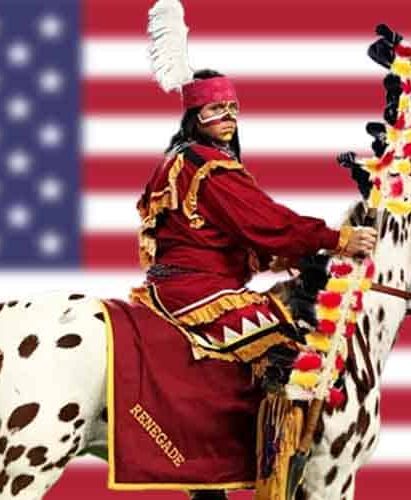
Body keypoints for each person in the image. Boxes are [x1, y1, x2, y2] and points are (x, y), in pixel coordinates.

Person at [130, 69, 377, 500]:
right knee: (289, 351)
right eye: (215, 109)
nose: (227, 116)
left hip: (174, 285)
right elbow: (267, 223)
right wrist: (336, 240)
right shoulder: (208, 168)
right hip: (199, 294)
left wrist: (284, 255)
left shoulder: (182, 160)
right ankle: (275, 477)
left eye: (232, 108)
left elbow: (217, 235)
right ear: (194, 114)